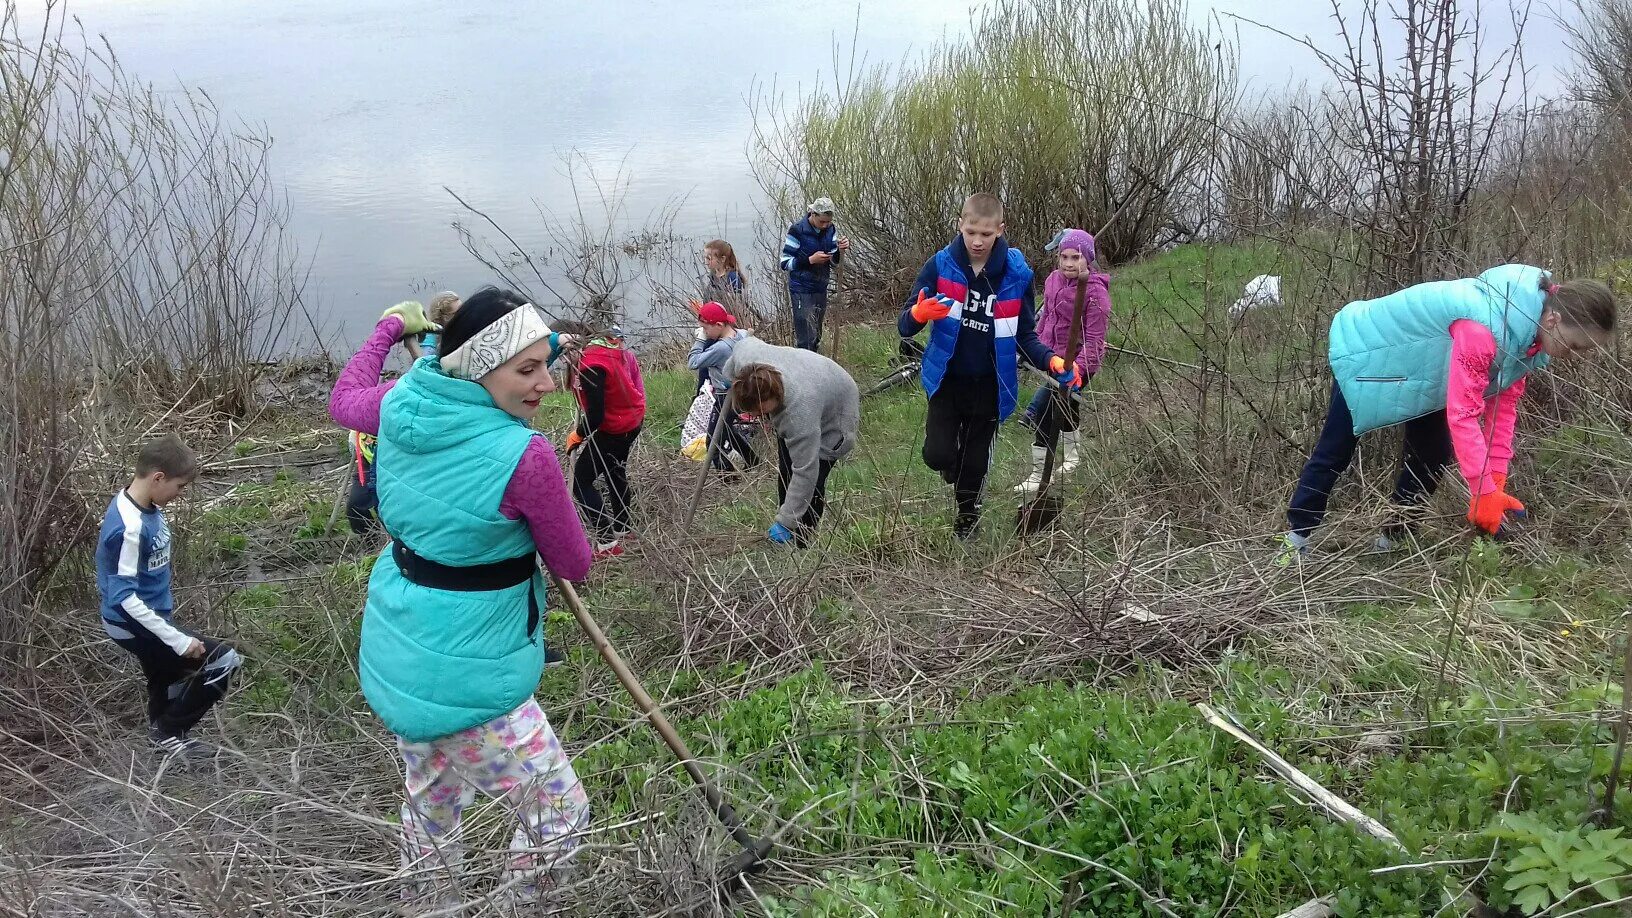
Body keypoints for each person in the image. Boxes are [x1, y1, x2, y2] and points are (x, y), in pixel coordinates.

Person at [327, 290, 593, 904]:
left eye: (546, 363)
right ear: (477, 368)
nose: (546, 384)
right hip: (468, 675)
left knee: (432, 802)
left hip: (401, 643)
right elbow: (573, 561)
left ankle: (428, 906)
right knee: (559, 814)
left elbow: (344, 399)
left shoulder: (399, 405)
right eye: (527, 370)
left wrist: (389, 327)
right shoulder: (526, 456)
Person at [1278, 267, 1616, 561]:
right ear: (1554, 320)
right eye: (1576, 345)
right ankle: (1295, 541)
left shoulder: (1527, 341)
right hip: (1370, 355)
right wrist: (1481, 492)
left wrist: (1494, 487)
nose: (1576, 356)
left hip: (1424, 372)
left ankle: (1391, 541)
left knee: (1431, 456)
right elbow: (1464, 413)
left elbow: (1502, 412)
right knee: (1336, 450)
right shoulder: (1484, 328)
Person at [898, 193, 1077, 539]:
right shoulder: (939, 266)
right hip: (947, 380)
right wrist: (918, 315)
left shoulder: (1016, 275)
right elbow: (905, 325)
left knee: (976, 464)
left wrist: (1051, 360)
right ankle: (952, 465)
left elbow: (1025, 334)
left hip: (992, 384)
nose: (978, 241)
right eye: (971, 233)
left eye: (986, 234)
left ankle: (967, 518)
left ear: (1000, 230)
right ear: (960, 226)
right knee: (937, 455)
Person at [97, 433, 242, 760]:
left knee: (167, 677)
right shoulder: (129, 528)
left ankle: (164, 743)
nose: (180, 494)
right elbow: (124, 598)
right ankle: (169, 731)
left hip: (149, 616)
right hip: (131, 621)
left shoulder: (141, 503)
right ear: (158, 477)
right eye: (179, 487)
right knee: (224, 661)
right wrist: (177, 639)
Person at [722, 337, 860, 547]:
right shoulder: (748, 360)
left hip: (838, 407)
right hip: (811, 372)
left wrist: (785, 522)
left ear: (775, 398)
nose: (758, 416)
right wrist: (729, 377)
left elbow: (806, 471)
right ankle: (786, 521)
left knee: (813, 480)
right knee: (786, 469)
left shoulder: (799, 413)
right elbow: (743, 343)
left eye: (761, 411)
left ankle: (802, 542)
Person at [1015, 229, 1111, 493]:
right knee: (1067, 407)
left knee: (1046, 411)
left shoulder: (1096, 294)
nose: (1069, 263)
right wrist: (1032, 347)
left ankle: (1038, 475)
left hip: (1078, 363)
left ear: (1087, 259)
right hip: (1050, 357)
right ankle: (1072, 457)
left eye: (1076, 257)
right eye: (1064, 256)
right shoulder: (1053, 281)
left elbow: (1095, 341)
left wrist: (1078, 369)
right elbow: (1046, 318)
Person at [556, 321, 646, 560]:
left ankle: (607, 543)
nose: (563, 361)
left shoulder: (591, 366)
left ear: (575, 346)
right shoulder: (605, 350)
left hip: (616, 428)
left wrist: (578, 435)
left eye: (565, 354)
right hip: (631, 420)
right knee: (615, 472)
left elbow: (595, 416)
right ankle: (623, 528)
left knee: (581, 482)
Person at [687, 300, 759, 470]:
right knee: (726, 430)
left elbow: (693, 362)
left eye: (706, 329)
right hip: (741, 393)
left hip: (725, 397)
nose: (705, 332)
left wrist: (700, 340)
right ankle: (753, 461)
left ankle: (727, 476)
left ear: (719, 325)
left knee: (713, 441)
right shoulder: (741, 334)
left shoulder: (721, 348)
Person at [780, 196, 850, 352]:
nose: (825, 225)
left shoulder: (830, 229)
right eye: (822, 222)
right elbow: (785, 263)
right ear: (812, 214)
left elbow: (834, 260)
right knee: (805, 336)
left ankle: (816, 363)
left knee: (817, 333)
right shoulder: (797, 231)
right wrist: (810, 260)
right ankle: (803, 367)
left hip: (820, 286)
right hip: (801, 289)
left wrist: (840, 250)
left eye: (828, 222)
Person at [701, 239, 747, 312]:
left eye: (709, 258)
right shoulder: (713, 275)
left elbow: (737, 305)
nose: (705, 262)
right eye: (705, 258)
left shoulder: (733, 278)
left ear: (722, 259)